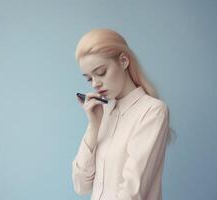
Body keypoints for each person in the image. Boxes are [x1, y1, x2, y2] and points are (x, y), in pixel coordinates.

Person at [72, 28, 174, 200]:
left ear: (124, 61)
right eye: (89, 79)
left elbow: (132, 192)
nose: (95, 84)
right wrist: (93, 126)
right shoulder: (103, 112)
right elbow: (81, 186)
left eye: (101, 72)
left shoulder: (152, 111)